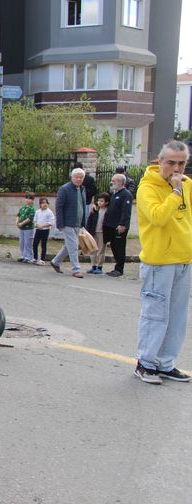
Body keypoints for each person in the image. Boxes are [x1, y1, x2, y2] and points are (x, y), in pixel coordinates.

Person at [133, 140, 192, 384]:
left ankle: (166, 363)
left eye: (182, 163)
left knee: (178, 316)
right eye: (171, 163)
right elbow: (158, 218)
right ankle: (146, 363)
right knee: (155, 314)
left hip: (184, 259)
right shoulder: (148, 187)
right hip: (159, 261)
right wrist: (175, 192)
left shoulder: (188, 186)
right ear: (159, 162)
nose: (177, 168)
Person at [50, 167, 87, 278]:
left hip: (77, 222)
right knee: (74, 246)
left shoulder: (82, 189)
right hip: (67, 222)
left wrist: (83, 223)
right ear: (72, 177)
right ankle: (76, 269)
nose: (79, 179)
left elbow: (82, 206)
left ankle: (55, 262)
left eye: (81, 177)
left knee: (69, 245)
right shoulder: (64, 189)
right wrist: (60, 223)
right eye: (76, 177)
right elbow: (59, 206)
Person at [103, 174, 134, 277]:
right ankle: (117, 267)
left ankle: (119, 269)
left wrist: (122, 224)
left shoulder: (126, 194)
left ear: (120, 183)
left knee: (119, 247)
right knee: (113, 246)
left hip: (119, 227)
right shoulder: (114, 193)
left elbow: (126, 211)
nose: (111, 182)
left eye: (113, 181)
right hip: (111, 225)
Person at [85, 192, 110, 274]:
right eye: (98, 201)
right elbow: (89, 221)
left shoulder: (108, 211)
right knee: (92, 250)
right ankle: (93, 266)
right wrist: (87, 231)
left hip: (102, 233)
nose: (99, 202)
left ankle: (99, 267)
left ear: (106, 202)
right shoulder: (95, 210)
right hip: (93, 232)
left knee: (100, 251)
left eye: (102, 201)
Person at [33, 197, 55, 265]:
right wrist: (37, 225)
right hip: (38, 229)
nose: (44, 204)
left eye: (46, 203)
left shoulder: (49, 212)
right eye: (43, 203)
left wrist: (43, 226)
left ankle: (42, 259)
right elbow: (34, 220)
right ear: (40, 204)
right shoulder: (37, 211)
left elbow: (51, 223)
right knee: (35, 244)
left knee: (43, 244)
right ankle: (35, 258)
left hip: (45, 230)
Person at [16, 192, 36, 264]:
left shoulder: (32, 208)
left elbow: (30, 218)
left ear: (33, 200)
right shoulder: (23, 207)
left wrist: (21, 223)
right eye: (26, 198)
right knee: (22, 242)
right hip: (21, 228)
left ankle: (28, 257)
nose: (28, 200)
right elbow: (18, 215)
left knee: (28, 243)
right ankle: (23, 256)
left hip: (28, 228)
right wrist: (17, 222)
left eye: (30, 198)